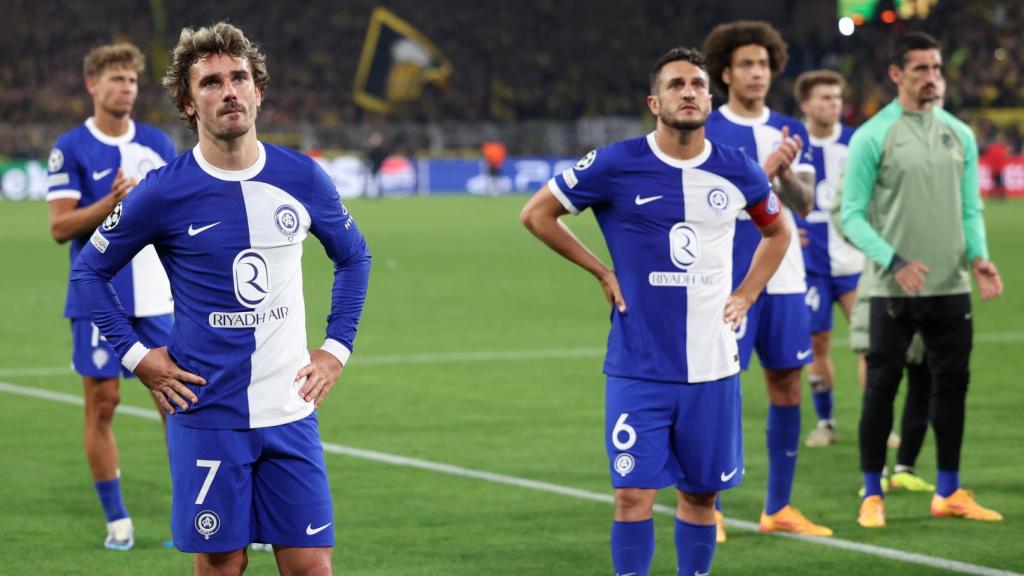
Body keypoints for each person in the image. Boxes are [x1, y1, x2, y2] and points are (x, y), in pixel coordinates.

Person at [70, 22, 371, 574]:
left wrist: (335, 349)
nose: (229, 90)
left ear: (259, 90)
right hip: (206, 411)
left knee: (312, 566)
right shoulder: (163, 191)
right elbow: (88, 272)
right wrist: (140, 358)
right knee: (222, 564)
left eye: (239, 78)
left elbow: (354, 256)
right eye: (211, 82)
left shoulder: (302, 177)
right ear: (189, 102)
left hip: (290, 407)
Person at [520, 47, 789, 576]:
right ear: (654, 100)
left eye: (696, 84)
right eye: (675, 85)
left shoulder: (738, 171)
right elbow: (536, 214)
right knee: (632, 499)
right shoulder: (616, 163)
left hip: (712, 367)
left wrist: (749, 292)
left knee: (701, 501)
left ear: (710, 99)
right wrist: (601, 269)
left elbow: (777, 232)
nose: (688, 92)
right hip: (638, 367)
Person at [841, 31, 1003, 528]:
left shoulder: (960, 133)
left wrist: (979, 257)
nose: (932, 78)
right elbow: (850, 216)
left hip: (951, 285)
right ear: (896, 74)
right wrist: (894, 261)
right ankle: (873, 493)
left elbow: (970, 208)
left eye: (937, 69)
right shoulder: (873, 135)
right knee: (882, 390)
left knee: (952, 387)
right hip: (894, 288)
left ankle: (948, 490)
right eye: (921, 70)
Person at [702, 20, 832, 539]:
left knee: (786, 385)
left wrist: (781, 172)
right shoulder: (709, 129)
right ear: (726, 72)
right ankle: (704, 506)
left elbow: (803, 204)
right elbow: (707, 204)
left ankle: (778, 507)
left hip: (784, 279)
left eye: (763, 64)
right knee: (715, 389)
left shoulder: (788, 128)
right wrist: (765, 166)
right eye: (746, 64)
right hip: (729, 279)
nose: (757, 73)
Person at [46, 42, 176, 551]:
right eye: (117, 79)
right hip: (100, 298)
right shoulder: (71, 147)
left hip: (158, 297)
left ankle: (193, 512)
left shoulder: (159, 143)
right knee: (103, 403)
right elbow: (60, 227)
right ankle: (117, 519)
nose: (127, 89)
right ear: (92, 85)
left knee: (178, 402)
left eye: (133, 81)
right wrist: (112, 203)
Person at [791, 70, 863, 448]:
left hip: (855, 263)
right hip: (810, 267)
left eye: (837, 97)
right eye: (824, 98)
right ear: (806, 105)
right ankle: (826, 422)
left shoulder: (856, 143)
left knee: (872, 343)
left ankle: (877, 423)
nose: (833, 104)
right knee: (817, 344)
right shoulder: (790, 145)